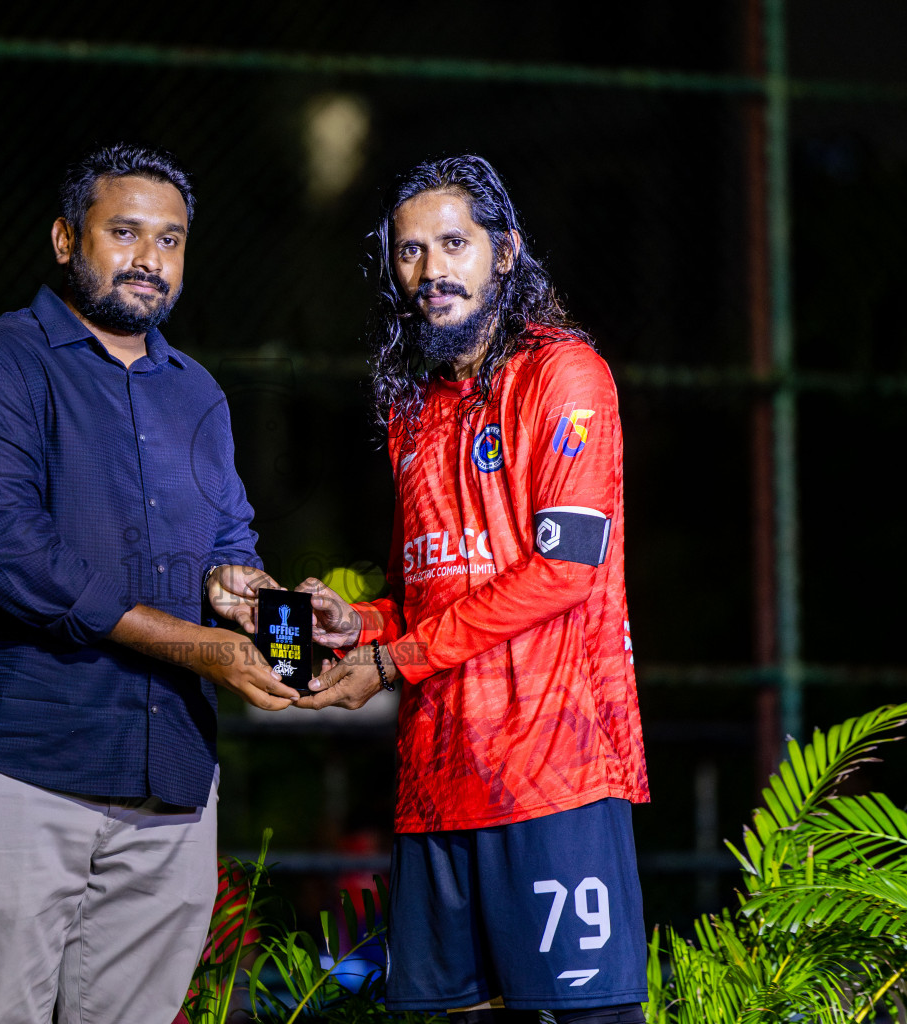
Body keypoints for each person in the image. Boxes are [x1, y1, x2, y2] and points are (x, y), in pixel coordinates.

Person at [0, 143, 299, 1024]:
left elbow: (227, 549)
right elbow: (15, 561)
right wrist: (200, 648)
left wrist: (270, 607)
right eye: (123, 232)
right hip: (21, 766)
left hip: (169, 783)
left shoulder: (197, 391)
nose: (148, 260)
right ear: (64, 239)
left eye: (169, 241)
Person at [293, 156, 651, 1024]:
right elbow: (426, 589)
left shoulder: (564, 375)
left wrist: (393, 661)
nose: (431, 272)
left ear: (506, 251)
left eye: (454, 244)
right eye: (409, 252)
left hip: (555, 777)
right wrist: (362, 622)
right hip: (435, 786)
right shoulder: (412, 403)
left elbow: (564, 571)